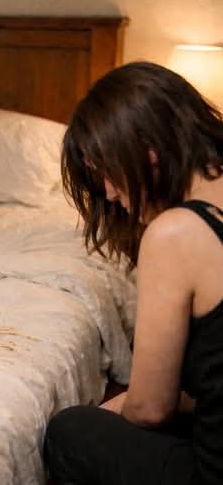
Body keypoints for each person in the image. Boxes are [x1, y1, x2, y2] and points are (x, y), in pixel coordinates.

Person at [44, 61, 223, 484]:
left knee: (70, 431)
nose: (108, 193)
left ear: (147, 150)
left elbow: (150, 409)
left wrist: (116, 407)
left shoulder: (176, 232)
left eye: (106, 171)